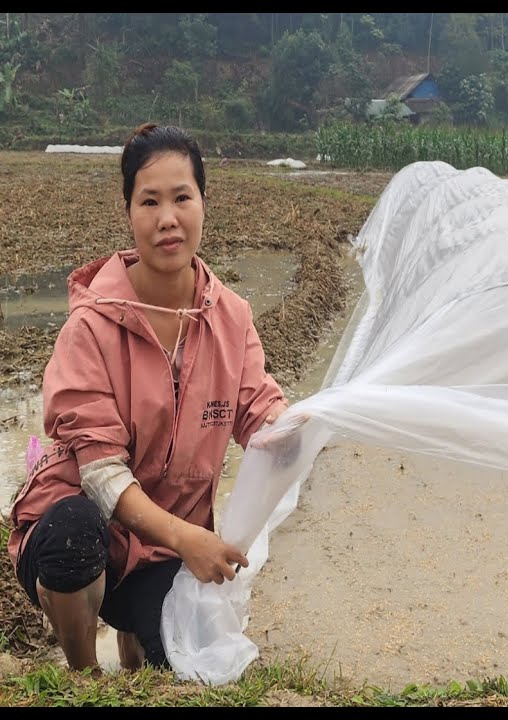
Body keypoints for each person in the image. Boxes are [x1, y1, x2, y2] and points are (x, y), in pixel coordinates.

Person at [6, 123, 295, 674]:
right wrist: (191, 539)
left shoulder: (231, 318)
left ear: (203, 202)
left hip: (161, 551)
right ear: (130, 212)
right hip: (89, 529)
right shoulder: (91, 326)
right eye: (150, 201)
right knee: (72, 537)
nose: (168, 217)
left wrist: (305, 425)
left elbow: (260, 411)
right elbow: (101, 475)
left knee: (193, 662)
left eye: (182, 197)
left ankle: (133, 636)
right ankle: (83, 668)